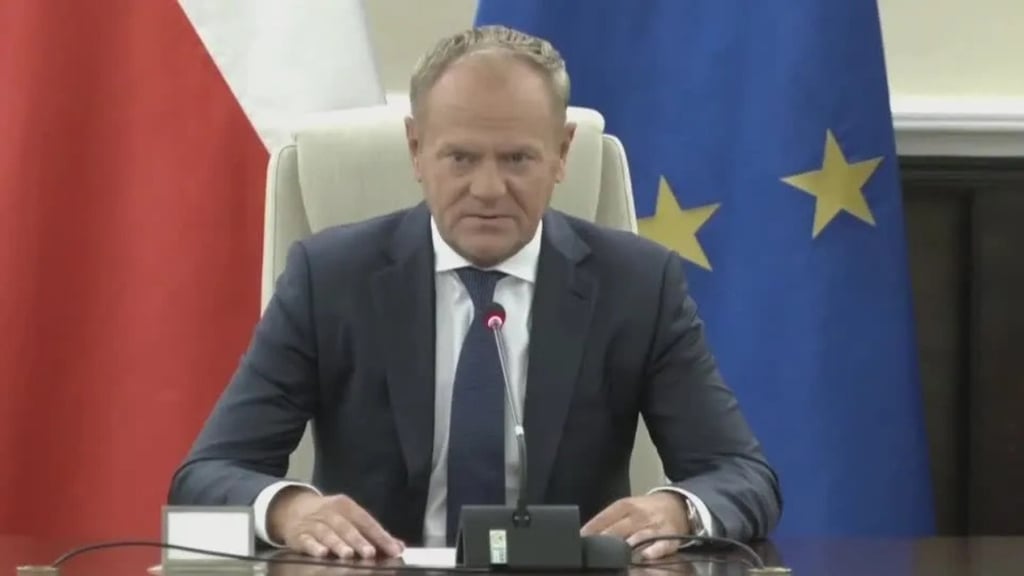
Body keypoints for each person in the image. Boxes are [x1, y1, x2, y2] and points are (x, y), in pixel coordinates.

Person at [168, 25, 782, 561]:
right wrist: (288, 509)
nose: (488, 189)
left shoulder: (637, 285)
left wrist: (676, 511)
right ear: (416, 150)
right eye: (460, 158)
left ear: (562, 154)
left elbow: (743, 477)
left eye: (517, 159)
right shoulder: (330, 278)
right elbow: (206, 477)